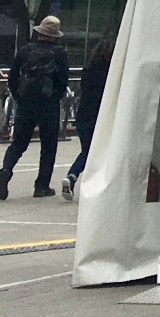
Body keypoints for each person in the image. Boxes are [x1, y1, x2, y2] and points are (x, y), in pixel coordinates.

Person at [0, 16, 69, 200]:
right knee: (48, 146)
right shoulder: (60, 53)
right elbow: (62, 82)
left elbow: (12, 78)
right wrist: (55, 97)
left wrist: (19, 97)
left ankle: (6, 169)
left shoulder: (25, 51)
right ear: (55, 35)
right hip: (49, 105)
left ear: (39, 31)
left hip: (26, 103)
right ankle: (41, 186)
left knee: (19, 143)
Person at [61, 38, 113, 201]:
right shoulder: (112, 72)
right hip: (101, 115)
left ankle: (73, 176)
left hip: (84, 114)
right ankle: (74, 176)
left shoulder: (88, 70)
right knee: (98, 152)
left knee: (87, 150)